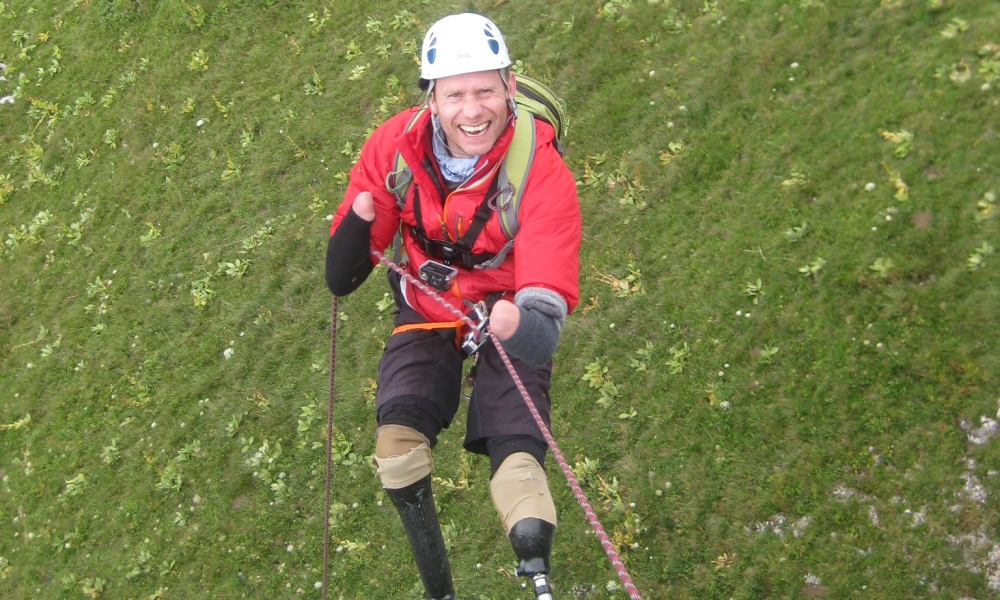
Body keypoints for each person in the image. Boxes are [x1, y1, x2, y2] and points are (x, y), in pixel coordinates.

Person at [325, 13, 580, 600]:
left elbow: (543, 326)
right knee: (396, 448)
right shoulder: (395, 148)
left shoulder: (543, 173)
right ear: (432, 99)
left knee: (518, 456)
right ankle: (438, 585)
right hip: (427, 301)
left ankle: (534, 564)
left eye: (487, 90)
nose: (473, 111)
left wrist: (520, 322)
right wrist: (356, 233)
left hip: (508, 308)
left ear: (511, 89)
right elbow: (347, 267)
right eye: (456, 94)